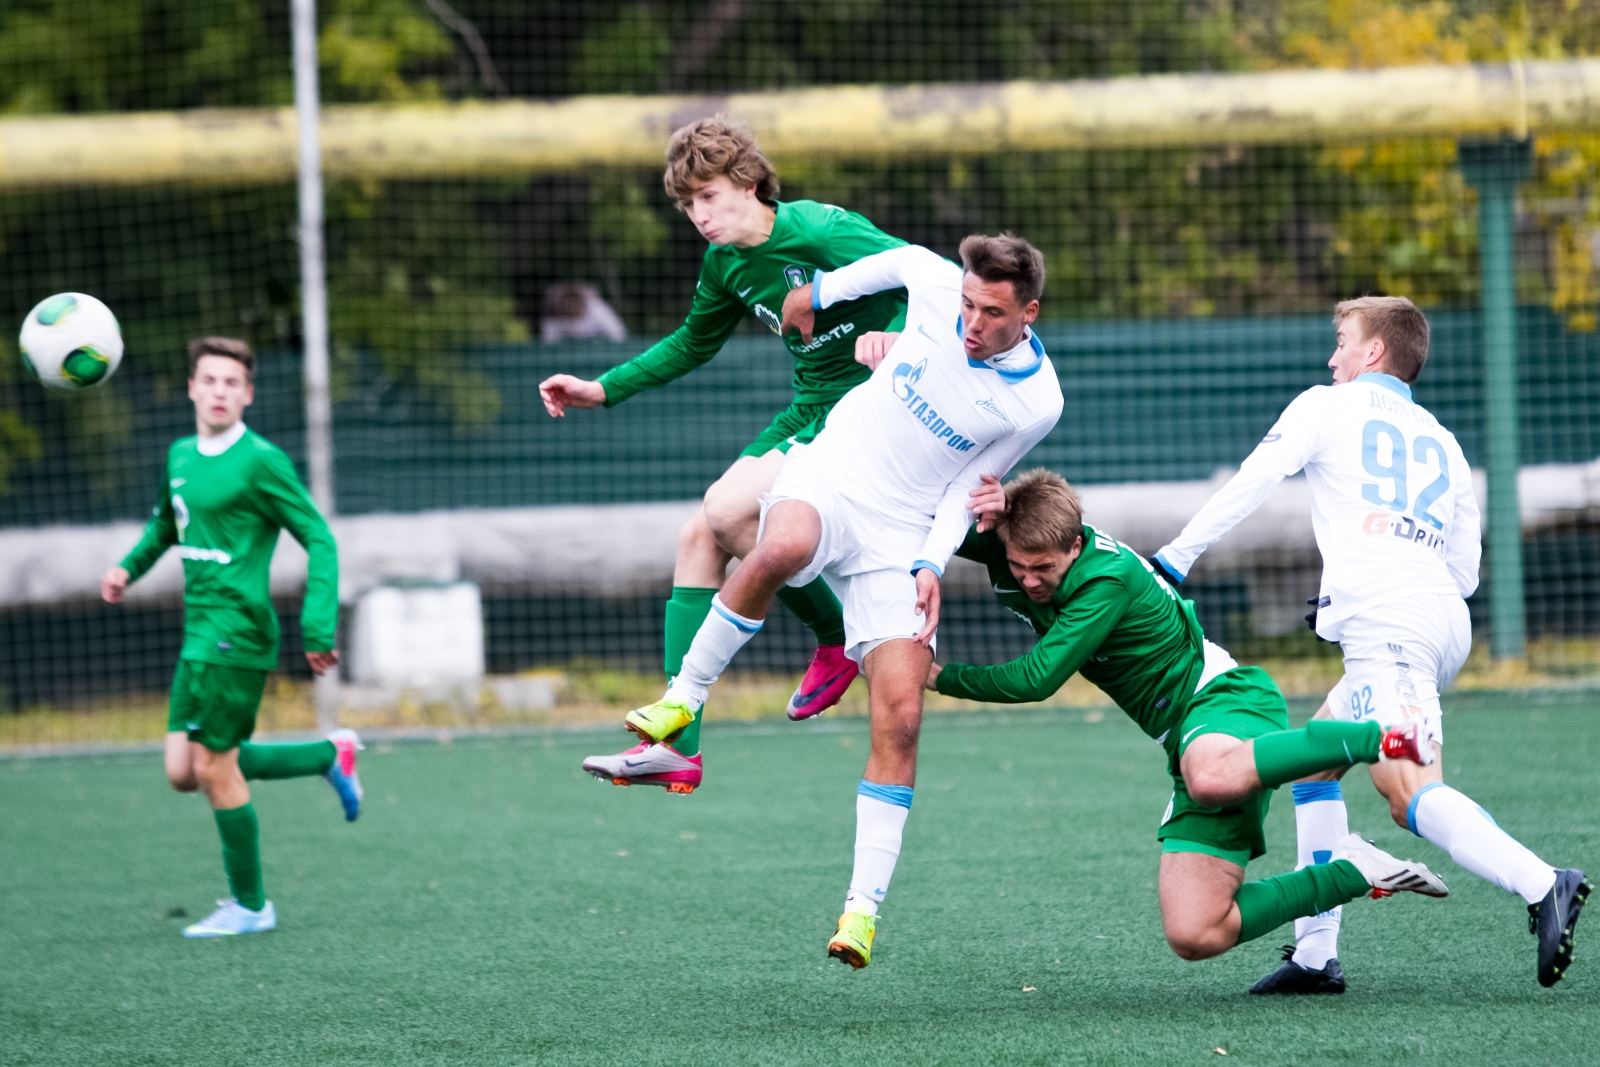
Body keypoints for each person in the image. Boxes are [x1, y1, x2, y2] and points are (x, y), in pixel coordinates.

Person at [592, 232, 1065, 965]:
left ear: (1028, 311)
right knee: (778, 546)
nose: (971, 323)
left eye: (992, 313)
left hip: (900, 535)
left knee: (902, 716)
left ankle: (860, 913)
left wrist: (931, 563)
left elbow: (965, 487)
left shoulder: (1038, 400)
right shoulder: (936, 285)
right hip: (834, 474)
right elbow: (895, 261)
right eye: (967, 304)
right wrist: (820, 293)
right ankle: (684, 697)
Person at [1152, 296, 1590, 990]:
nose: (1332, 358)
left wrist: (1174, 557)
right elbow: (1467, 568)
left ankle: (1544, 883)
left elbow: (1255, 479)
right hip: (1441, 619)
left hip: (1390, 627)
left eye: (1342, 342)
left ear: (1374, 352)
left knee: (1407, 791)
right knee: (1317, 765)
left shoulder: (1326, 406)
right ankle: (1314, 955)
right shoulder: (1442, 436)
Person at [930, 468, 1449, 969]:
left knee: (1209, 776)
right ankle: (1356, 870)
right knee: (1195, 931)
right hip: (1188, 738)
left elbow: (1034, 679)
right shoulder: (1013, 539)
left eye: (1044, 569)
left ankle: (1380, 738)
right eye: (1020, 566)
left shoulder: (1106, 578)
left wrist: (935, 677)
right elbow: (926, 518)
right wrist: (971, 516)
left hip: (1225, 700)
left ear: (1074, 545)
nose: (1029, 580)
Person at [541, 118, 911, 792]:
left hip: (871, 410)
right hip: (810, 410)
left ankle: (837, 637)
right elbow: (691, 342)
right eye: (687, 205)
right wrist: (601, 388)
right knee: (700, 535)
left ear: (748, 183)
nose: (698, 216)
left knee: (726, 509)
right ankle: (679, 748)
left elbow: (931, 279)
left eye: (708, 196)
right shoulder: (726, 264)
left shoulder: (820, 230)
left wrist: (890, 333)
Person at [101, 337, 359, 939]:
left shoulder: (261, 461)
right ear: (192, 388)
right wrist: (128, 568)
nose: (219, 391)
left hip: (237, 634)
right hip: (197, 634)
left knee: (215, 768)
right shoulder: (181, 454)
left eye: (231, 383)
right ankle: (328, 754)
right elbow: (168, 521)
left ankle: (251, 906)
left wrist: (317, 625)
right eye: (209, 380)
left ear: (248, 394)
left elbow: (319, 537)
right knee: (182, 771)